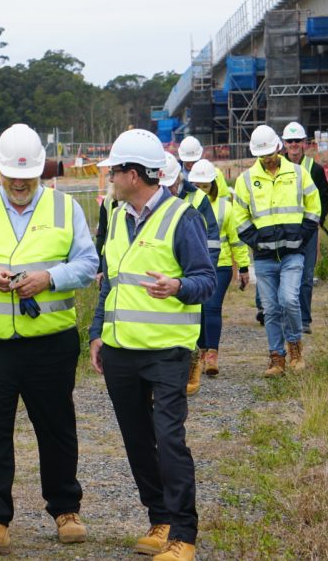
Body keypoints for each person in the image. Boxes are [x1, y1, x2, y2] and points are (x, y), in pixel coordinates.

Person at [0, 123, 98, 558]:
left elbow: (88, 263)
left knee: (57, 427)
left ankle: (65, 508)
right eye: (12, 177)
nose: (20, 185)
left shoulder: (66, 210)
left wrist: (50, 278)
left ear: (42, 172)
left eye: (28, 179)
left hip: (50, 341)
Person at [89, 129, 217, 561]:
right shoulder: (118, 216)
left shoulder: (182, 217)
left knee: (169, 437)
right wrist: (96, 333)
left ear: (134, 174)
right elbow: (111, 284)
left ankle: (183, 535)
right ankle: (159, 518)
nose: (108, 176)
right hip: (121, 349)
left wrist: (179, 285)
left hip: (167, 351)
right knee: (137, 439)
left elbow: (207, 279)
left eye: (114, 169)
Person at [231, 125, 321, 377]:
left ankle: (295, 347)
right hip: (264, 256)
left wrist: (301, 236)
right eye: (263, 155)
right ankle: (276, 358)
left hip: (293, 253)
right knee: (270, 309)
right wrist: (256, 241)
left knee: (289, 300)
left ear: (278, 147)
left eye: (270, 152)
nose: (268, 158)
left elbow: (314, 206)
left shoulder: (298, 173)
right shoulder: (246, 180)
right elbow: (240, 217)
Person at [158, 151, 220, 396]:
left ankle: (193, 362)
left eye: (171, 186)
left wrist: (202, 272)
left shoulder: (197, 199)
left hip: (190, 274)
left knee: (191, 319)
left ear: (178, 181)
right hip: (161, 272)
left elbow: (212, 240)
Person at [187, 159, 251, 376]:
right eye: (197, 186)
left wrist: (243, 266)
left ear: (213, 185)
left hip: (220, 265)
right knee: (198, 309)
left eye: (205, 186)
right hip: (193, 265)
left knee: (212, 307)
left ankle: (212, 354)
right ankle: (201, 352)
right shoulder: (185, 204)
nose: (201, 191)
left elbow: (236, 240)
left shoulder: (226, 207)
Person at [281, 122, 328, 334]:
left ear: (304, 143)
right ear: (284, 143)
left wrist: (319, 220)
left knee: (306, 276)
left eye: (297, 141)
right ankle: (282, 316)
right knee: (281, 273)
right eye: (290, 141)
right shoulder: (275, 166)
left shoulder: (315, 169)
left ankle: (304, 319)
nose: (294, 145)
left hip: (307, 230)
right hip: (282, 229)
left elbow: (325, 196)